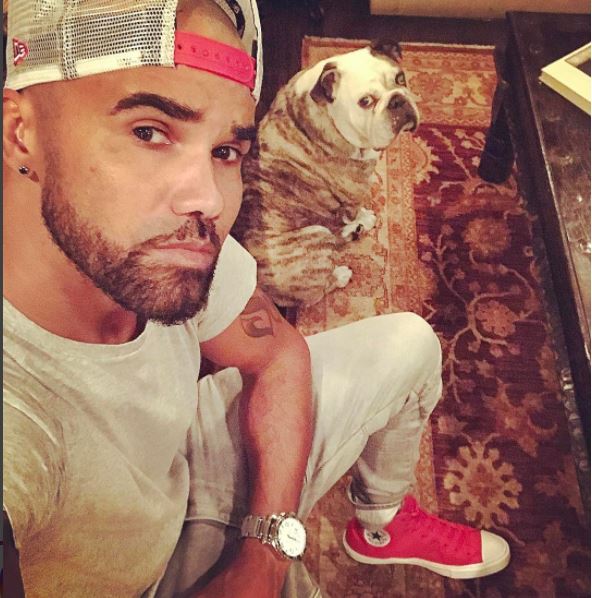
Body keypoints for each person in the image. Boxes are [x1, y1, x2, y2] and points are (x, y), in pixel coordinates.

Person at [2, 1, 511, 596]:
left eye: (226, 151)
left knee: (413, 343)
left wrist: (265, 553)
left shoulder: (153, 242)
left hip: (172, 472)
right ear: (20, 132)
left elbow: (279, 355)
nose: (208, 201)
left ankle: (381, 521)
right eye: (149, 131)